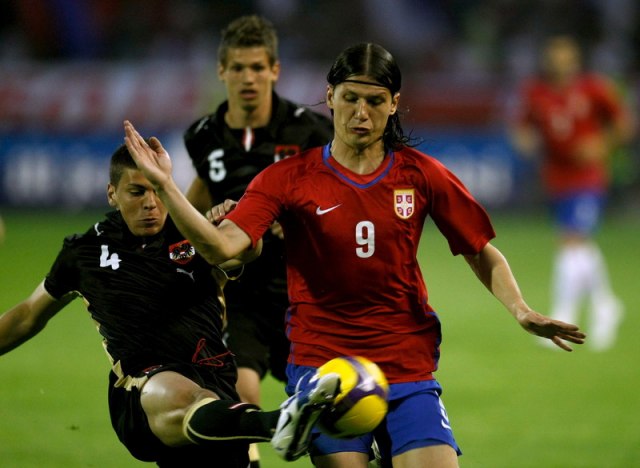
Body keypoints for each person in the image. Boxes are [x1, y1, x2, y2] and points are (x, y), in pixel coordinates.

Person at [124, 41, 586, 468]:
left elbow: (480, 251)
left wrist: (520, 309)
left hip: (406, 363)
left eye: (375, 101)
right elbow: (221, 245)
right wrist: (166, 186)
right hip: (325, 368)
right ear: (330, 96)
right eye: (350, 98)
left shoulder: (421, 174)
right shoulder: (287, 178)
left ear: (394, 104)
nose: (361, 113)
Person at [0, 143, 341, 467]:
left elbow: (245, 253)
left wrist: (235, 224)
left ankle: (280, 424)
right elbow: (28, 315)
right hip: (141, 389)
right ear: (112, 194)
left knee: (205, 417)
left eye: (157, 190)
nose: (150, 203)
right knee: (181, 395)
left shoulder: (195, 234)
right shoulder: (84, 253)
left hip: (215, 383)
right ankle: (281, 422)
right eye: (137, 192)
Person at [182, 15, 333, 467]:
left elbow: (340, 202)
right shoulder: (202, 137)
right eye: (238, 68)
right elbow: (194, 206)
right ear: (221, 71)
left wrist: (302, 219)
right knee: (239, 395)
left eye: (257, 67)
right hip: (238, 293)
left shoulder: (310, 132)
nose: (248, 78)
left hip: (302, 293)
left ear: (274, 70)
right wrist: (204, 222)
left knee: (327, 410)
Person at [509, 35, 634, 351]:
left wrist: (602, 145)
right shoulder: (536, 93)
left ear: (575, 61)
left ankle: (563, 314)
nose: (559, 64)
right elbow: (522, 125)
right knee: (580, 245)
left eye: (565, 58)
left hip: (588, 176)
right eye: (554, 59)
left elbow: (623, 123)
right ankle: (606, 304)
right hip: (556, 178)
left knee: (571, 241)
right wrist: (524, 140)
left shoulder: (594, 88)